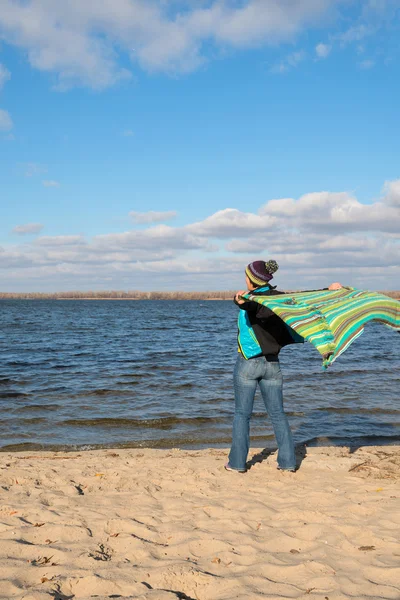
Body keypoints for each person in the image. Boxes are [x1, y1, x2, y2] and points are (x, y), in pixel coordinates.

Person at [226, 260, 342, 474]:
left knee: (242, 414)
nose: (245, 280)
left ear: (252, 280)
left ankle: (237, 464)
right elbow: (304, 298)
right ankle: (288, 463)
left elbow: (251, 306)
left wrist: (240, 301)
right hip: (272, 365)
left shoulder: (253, 300)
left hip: (248, 365)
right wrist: (329, 291)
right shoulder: (280, 299)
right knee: (278, 414)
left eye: (246, 277)